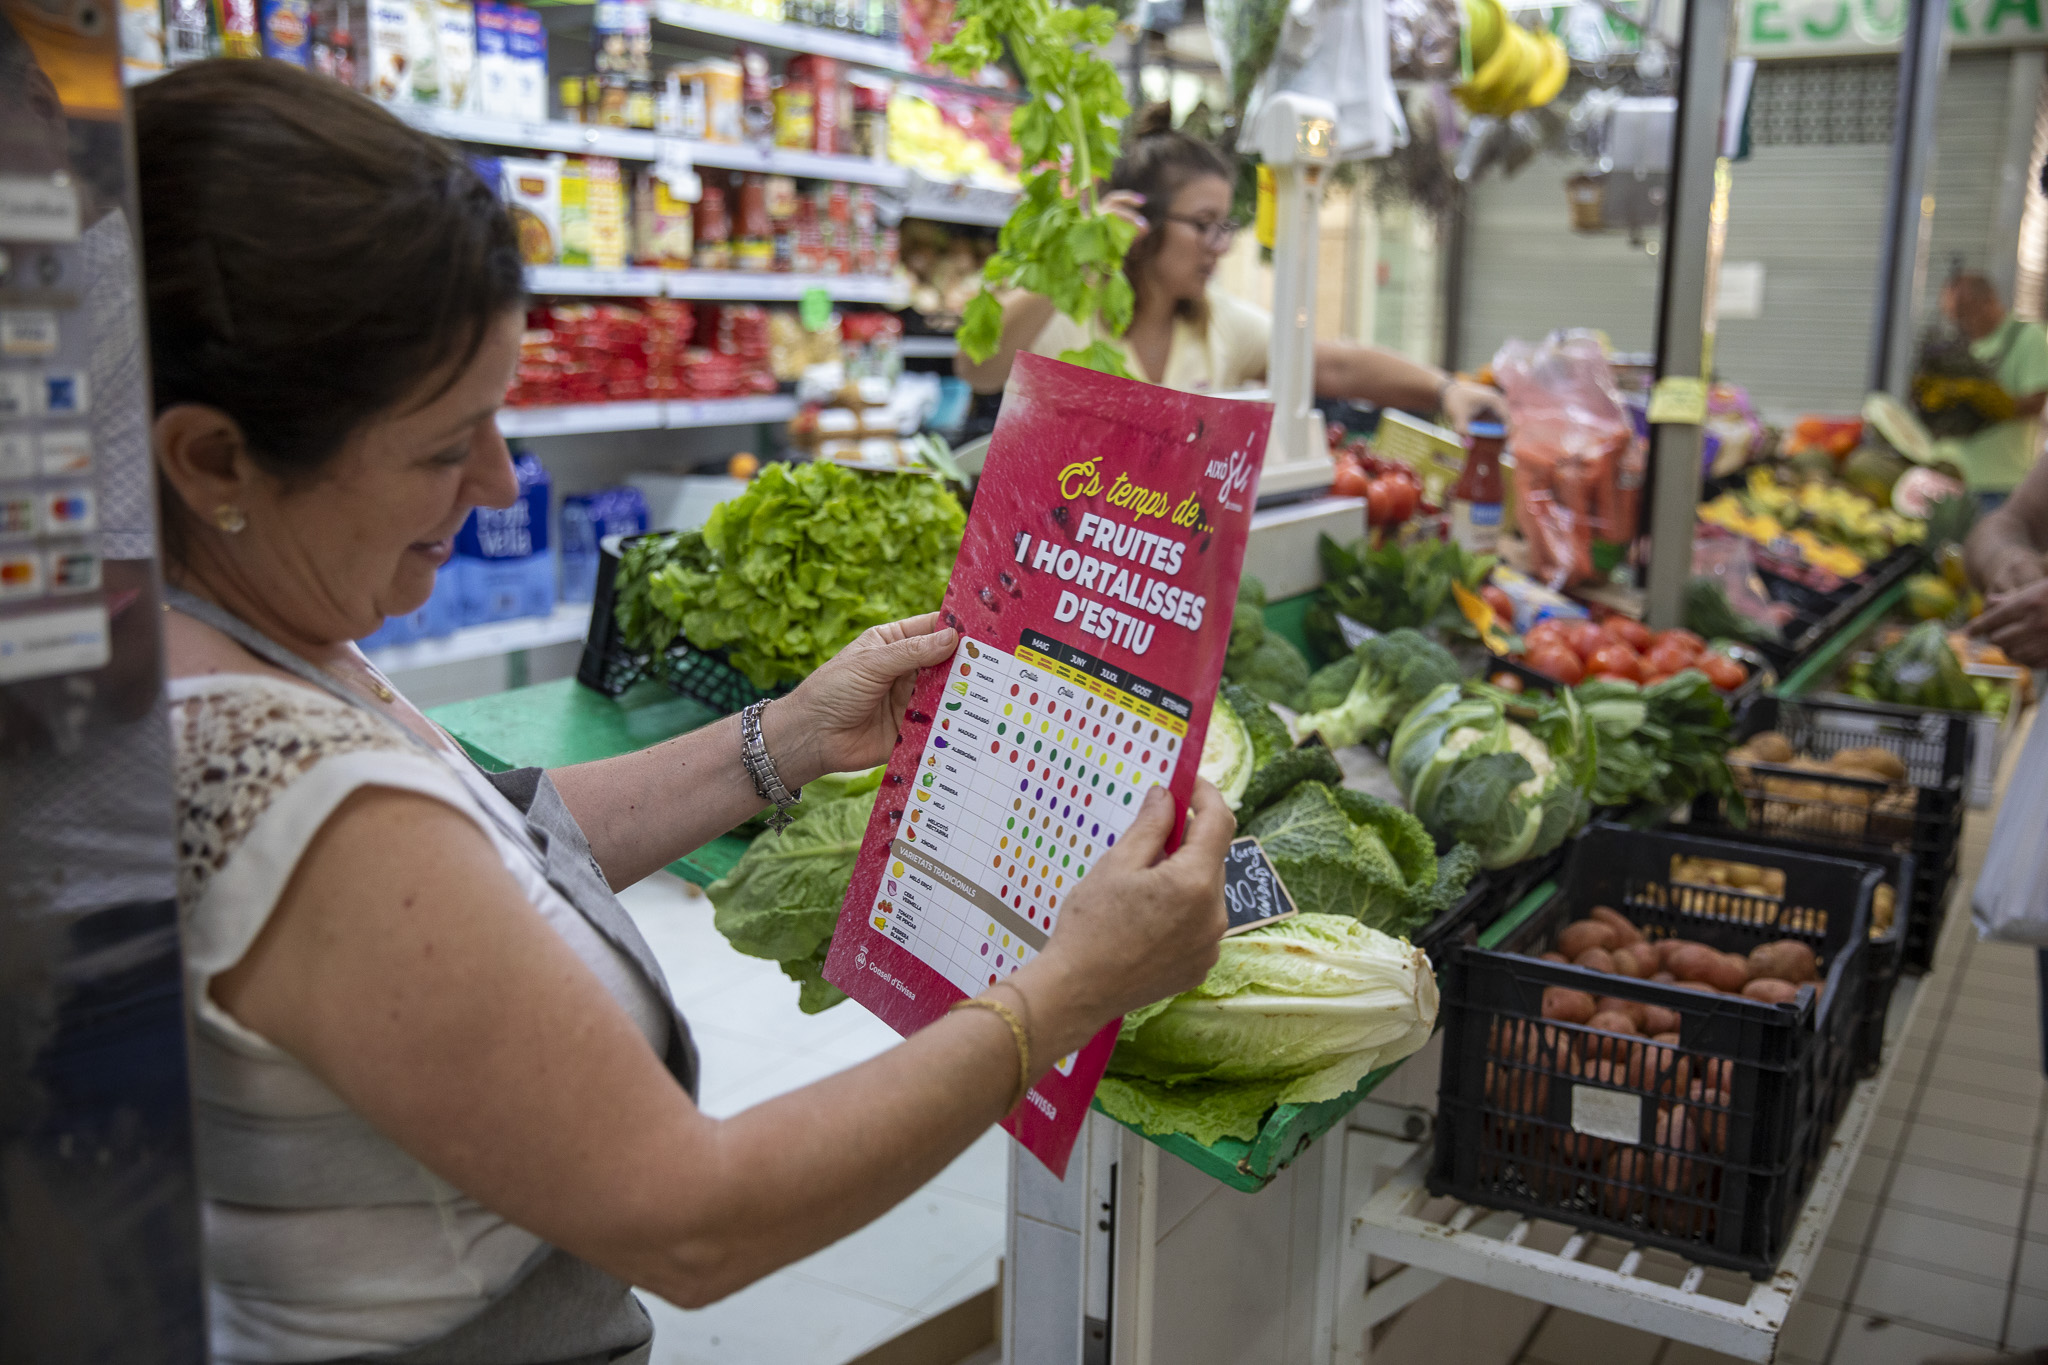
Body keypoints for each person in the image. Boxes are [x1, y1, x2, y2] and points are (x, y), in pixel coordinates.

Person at [141, 61, 1233, 1364]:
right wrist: (1067, 989)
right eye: (446, 444)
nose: (497, 486)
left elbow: (488, 843)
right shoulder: (276, 787)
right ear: (212, 460)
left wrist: (786, 736)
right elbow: (697, 1220)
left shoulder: (211, 636)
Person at [956, 105, 1505, 434]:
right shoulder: (1059, 300)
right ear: (1138, 221)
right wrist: (1069, 263)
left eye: (1226, 226)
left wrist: (1445, 389)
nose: (1220, 246)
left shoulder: (1217, 324)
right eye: (1204, 223)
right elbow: (977, 368)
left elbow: (1332, 365)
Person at [1936, 273, 2048, 516]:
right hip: (1950, 477)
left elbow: (2037, 402)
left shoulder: (2029, 338)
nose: (1960, 323)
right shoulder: (1958, 344)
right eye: (1954, 316)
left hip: (1999, 484)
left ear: (1989, 302)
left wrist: (1992, 403)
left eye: (1966, 313)